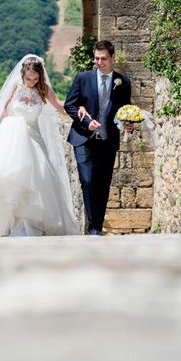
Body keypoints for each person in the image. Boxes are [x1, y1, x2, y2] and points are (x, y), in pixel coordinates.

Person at [0, 55, 79, 238]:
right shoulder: (15, 86)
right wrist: (9, 122)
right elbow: (1, 108)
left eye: (35, 79)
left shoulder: (43, 88)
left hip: (34, 139)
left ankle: (28, 223)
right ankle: (6, 226)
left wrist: (80, 111)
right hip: (13, 138)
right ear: (22, 74)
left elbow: (60, 106)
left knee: (40, 178)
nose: (32, 83)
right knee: (10, 180)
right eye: (29, 79)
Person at [64, 40, 132, 236]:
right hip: (83, 138)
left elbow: (125, 110)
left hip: (108, 140)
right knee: (87, 179)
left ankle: (96, 227)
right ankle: (93, 226)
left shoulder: (123, 82)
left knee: (103, 184)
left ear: (112, 58)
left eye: (103, 59)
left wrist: (129, 124)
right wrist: (87, 122)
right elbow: (70, 105)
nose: (99, 62)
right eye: (96, 58)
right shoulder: (82, 78)